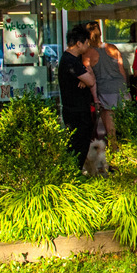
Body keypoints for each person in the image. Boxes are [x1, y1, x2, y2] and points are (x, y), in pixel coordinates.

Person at [83, 21, 128, 147]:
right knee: (125, 127)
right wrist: (125, 88)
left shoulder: (88, 53)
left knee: (110, 131)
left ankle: (114, 160)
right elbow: (121, 70)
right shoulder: (113, 48)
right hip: (120, 88)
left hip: (105, 91)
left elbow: (88, 74)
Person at [59, 24, 97, 168]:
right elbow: (91, 81)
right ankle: (74, 172)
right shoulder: (71, 62)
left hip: (77, 108)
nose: (88, 46)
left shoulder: (73, 60)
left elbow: (88, 80)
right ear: (78, 43)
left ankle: (75, 172)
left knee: (79, 143)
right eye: (86, 42)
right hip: (76, 111)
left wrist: (86, 79)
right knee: (78, 144)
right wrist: (88, 77)